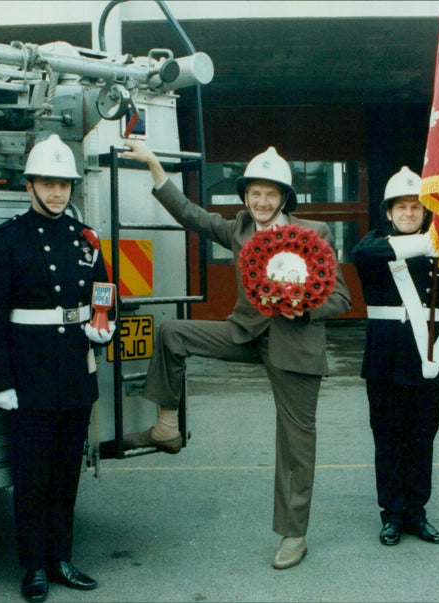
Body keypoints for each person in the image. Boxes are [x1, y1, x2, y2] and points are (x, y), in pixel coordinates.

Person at [120, 140, 351, 569]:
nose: (261, 202)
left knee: (295, 443)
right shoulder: (240, 228)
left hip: (294, 346)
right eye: (254, 193)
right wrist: (154, 166)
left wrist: (305, 308)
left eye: (270, 194)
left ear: (284, 198)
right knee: (172, 332)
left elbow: (341, 298)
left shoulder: (313, 233)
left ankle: (293, 535)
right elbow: (191, 215)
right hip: (244, 334)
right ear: (245, 197)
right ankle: (166, 427)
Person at [0, 134, 114, 602]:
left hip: (74, 369)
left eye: (64, 185)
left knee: (65, 474)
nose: (57, 194)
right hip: (28, 373)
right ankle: (34, 565)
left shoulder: (85, 238)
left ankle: (61, 559)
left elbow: (104, 289)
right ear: (29, 186)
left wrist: (104, 323)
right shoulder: (4, 242)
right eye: (48, 184)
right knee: (31, 475)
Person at [351, 166, 439, 547]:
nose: (408, 214)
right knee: (387, 439)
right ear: (388, 212)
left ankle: (417, 512)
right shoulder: (374, 244)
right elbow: (362, 254)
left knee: (421, 439)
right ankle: (391, 515)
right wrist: (425, 243)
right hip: (385, 360)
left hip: (428, 357)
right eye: (400, 207)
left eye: (416, 207)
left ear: (426, 211)